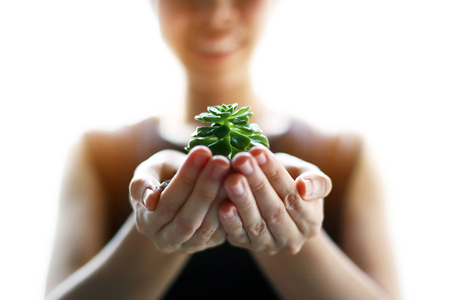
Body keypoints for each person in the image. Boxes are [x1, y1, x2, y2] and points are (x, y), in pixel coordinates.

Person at [45, 0, 400, 299]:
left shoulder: (345, 155)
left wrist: (294, 239)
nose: (216, 14)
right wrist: (151, 232)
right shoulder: (97, 154)